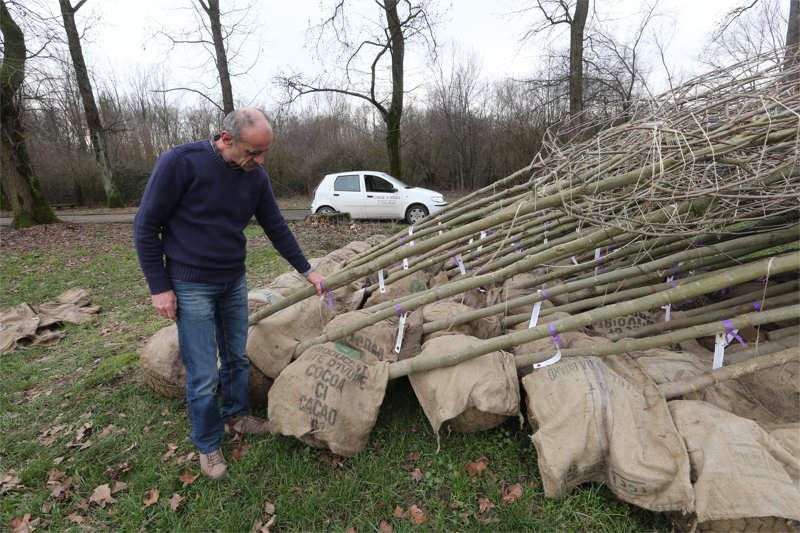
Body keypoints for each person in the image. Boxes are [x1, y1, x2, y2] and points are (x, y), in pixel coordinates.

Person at [133, 107, 325, 480]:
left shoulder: (255, 177)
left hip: (233, 280)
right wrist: (160, 287)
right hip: (191, 285)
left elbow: (276, 226)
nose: (261, 159)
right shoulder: (180, 163)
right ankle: (207, 444)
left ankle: (236, 418)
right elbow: (145, 225)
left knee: (237, 357)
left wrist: (307, 270)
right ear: (225, 139)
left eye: (264, 151)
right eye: (253, 152)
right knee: (203, 374)